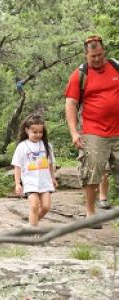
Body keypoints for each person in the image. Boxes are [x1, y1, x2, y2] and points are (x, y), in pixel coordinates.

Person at [65, 35, 119, 228]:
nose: (96, 59)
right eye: (92, 56)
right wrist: (74, 132)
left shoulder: (115, 67)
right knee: (92, 172)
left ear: (103, 51)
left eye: (99, 54)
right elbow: (70, 104)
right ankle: (91, 213)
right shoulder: (80, 75)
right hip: (94, 132)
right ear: (85, 55)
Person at [11, 114, 57, 227]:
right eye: (34, 132)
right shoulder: (22, 146)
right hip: (30, 181)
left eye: (40, 132)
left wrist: (53, 178)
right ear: (27, 130)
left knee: (46, 207)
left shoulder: (46, 146)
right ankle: (34, 231)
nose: (38, 135)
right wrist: (17, 184)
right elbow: (17, 166)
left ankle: (31, 223)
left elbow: (50, 164)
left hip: (45, 181)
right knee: (34, 205)